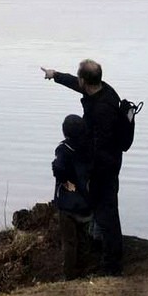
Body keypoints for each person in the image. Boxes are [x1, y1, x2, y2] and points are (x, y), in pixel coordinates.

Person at [41, 60, 127, 275]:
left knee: (107, 213)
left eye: (79, 79)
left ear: (85, 80)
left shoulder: (102, 110)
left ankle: (112, 267)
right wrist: (56, 75)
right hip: (107, 162)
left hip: (105, 167)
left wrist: (89, 174)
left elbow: (100, 148)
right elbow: (76, 84)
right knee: (102, 211)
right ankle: (101, 248)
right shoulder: (103, 89)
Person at [52, 113, 95, 279]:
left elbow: (58, 168)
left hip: (68, 206)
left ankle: (70, 276)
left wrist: (64, 181)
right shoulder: (90, 148)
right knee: (84, 240)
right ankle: (84, 273)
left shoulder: (64, 150)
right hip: (86, 203)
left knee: (69, 242)